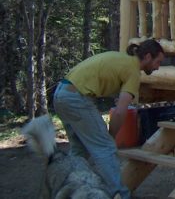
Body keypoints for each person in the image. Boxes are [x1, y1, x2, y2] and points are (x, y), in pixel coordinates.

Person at [53, 40, 165, 199]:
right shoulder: (133, 70)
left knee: (79, 150)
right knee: (105, 148)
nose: (157, 67)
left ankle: (71, 191)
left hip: (61, 94)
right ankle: (121, 195)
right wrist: (110, 137)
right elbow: (120, 112)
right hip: (76, 98)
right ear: (147, 56)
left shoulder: (122, 60)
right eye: (157, 62)